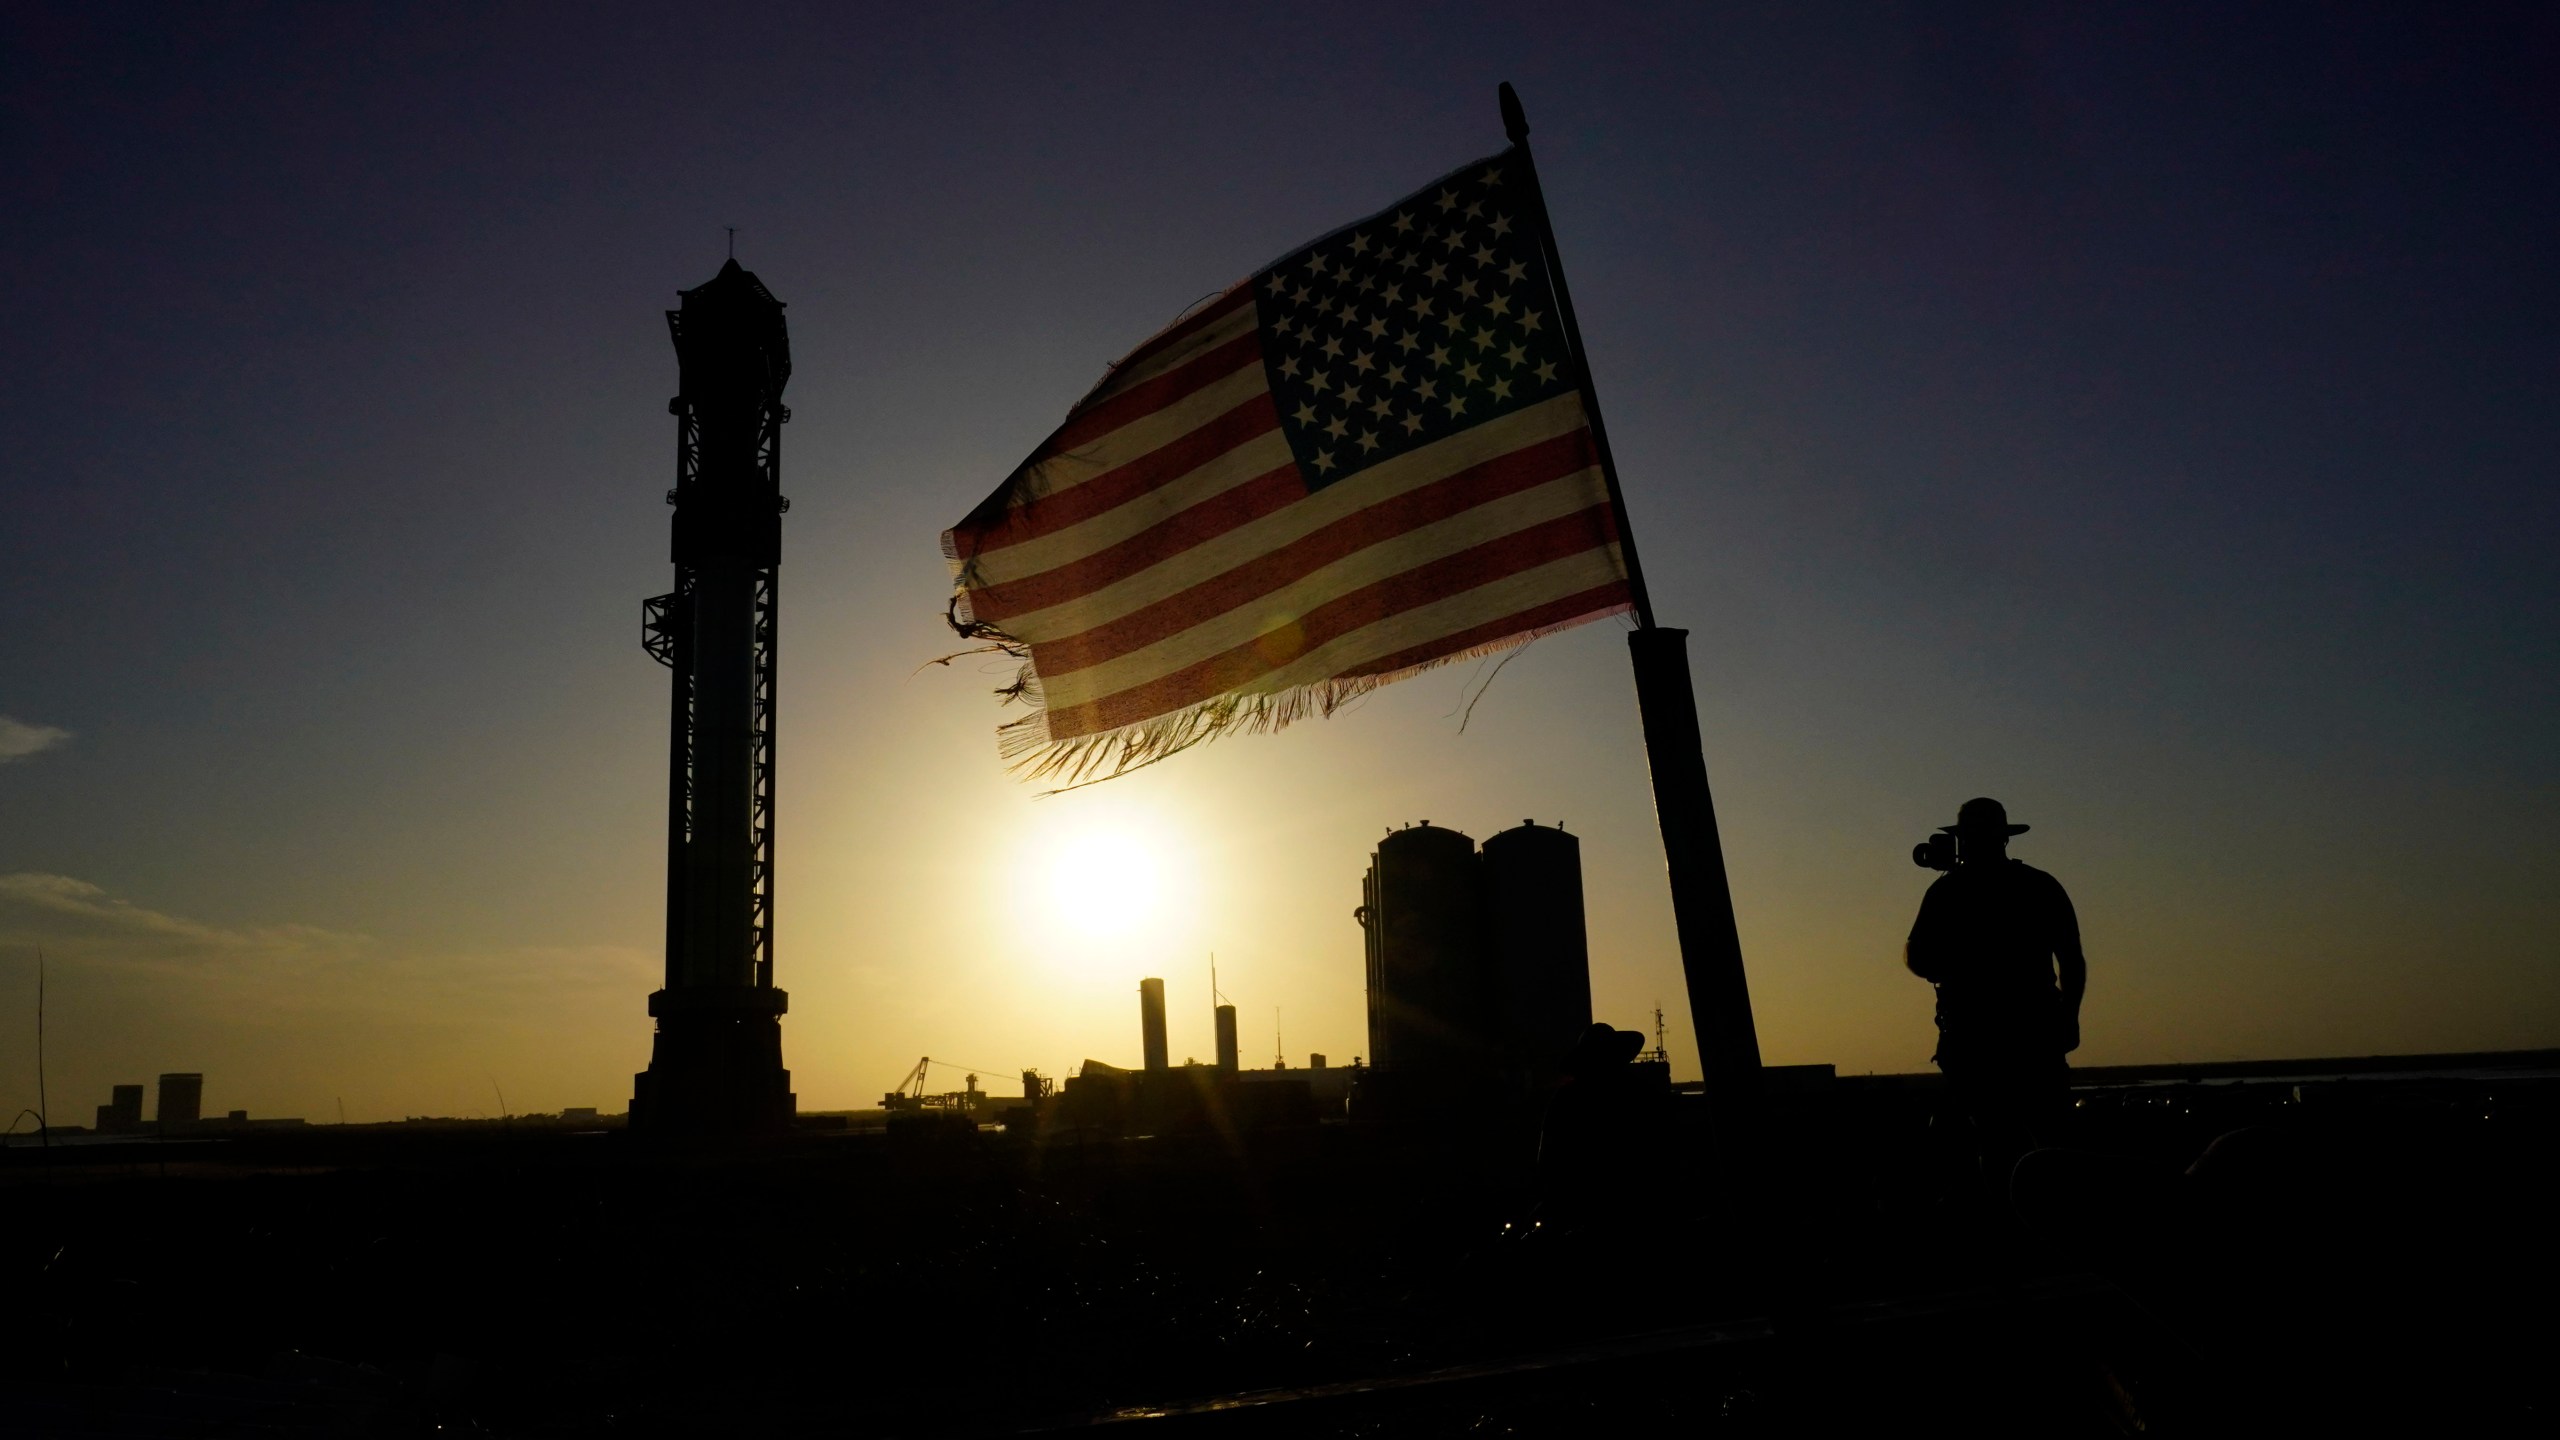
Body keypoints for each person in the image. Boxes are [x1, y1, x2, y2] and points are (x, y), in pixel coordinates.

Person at [1905, 797, 2086, 1184]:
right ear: (2005, 839)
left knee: (1998, 1139)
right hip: (2026, 1034)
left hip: (1981, 1037)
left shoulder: (1947, 892)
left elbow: (1919, 958)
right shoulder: (2039, 886)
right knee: (2044, 1139)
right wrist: (2069, 1018)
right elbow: (2071, 959)